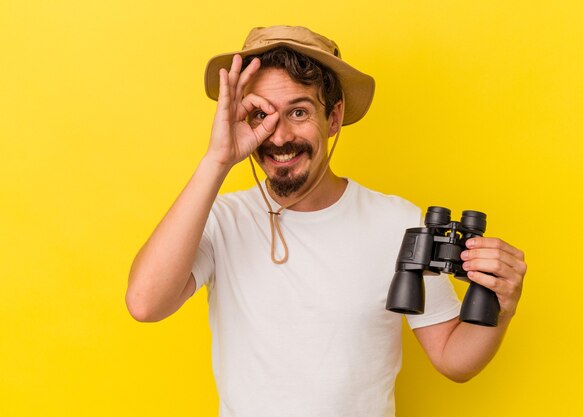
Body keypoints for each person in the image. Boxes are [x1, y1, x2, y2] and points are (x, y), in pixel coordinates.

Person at [126, 25, 527, 417]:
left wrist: (502, 305)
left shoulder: (396, 222)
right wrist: (217, 160)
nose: (278, 136)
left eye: (298, 111)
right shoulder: (222, 218)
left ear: (333, 118)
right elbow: (145, 304)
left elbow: (453, 359)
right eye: (260, 114)